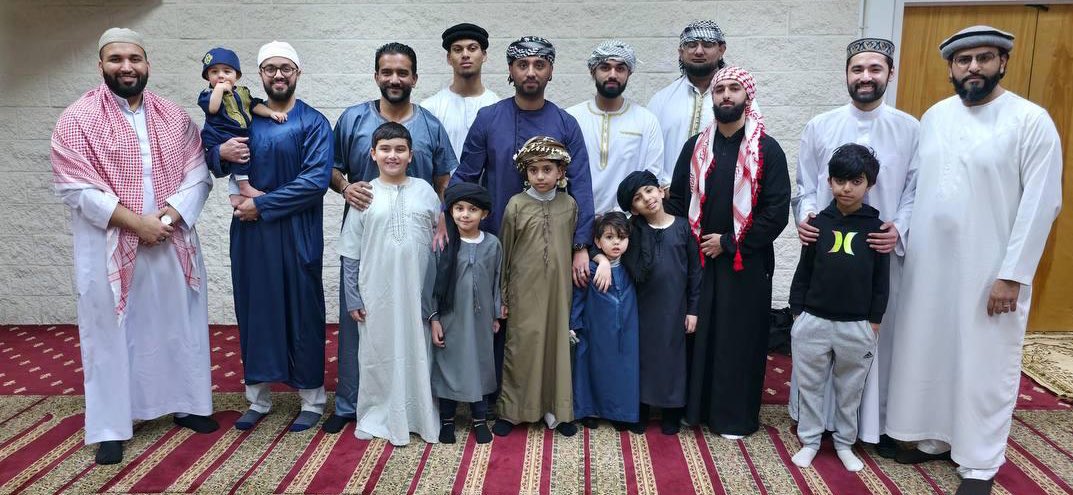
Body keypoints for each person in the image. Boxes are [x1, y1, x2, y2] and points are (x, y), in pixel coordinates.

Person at [884, 26, 1062, 495]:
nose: (974, 68)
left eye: (984, 58)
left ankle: (979, 462)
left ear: (1002, 62)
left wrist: (1012, 274)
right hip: (929, 265)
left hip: (989, 270)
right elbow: (918, 187)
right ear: (951, 68)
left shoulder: (1030, 120)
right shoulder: (936, 116)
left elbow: (1042, 203)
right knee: (928, 346)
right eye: (964, 61)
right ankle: (929, 437)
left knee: (982, 360)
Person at [50, 27, 218, 465]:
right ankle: (111, 425)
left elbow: (198, 174)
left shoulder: (173, 115)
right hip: (109, 242)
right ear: (100, 65)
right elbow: (75, 187)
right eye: (116, 59)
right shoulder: (77, 118)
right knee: (111, 332)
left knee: (175, 322)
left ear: (147, 64)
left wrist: (165, 219)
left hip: (169, 237)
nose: (127, 67)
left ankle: (187, 403)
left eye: (135, 59)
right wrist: (135, 224)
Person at [449, 35, 596, 411]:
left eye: (539, 65)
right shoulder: (489, 118)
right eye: (522, 65)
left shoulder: (566, 122)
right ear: (510, 71)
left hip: (551, 247)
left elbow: (581, 186)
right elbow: (466, 176)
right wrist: (454, 226)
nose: (531, 72)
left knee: (545, 324)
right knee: (494, 319)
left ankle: (549, 400)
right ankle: (490, 399)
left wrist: (581, 247)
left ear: (550, 71)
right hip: (494, 240)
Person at [789, 37, 920, 457]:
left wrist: (897, 228)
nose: (866, 77)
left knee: (867, 340)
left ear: (889, 74)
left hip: (879, 257)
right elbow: (805, 184)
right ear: (846, 74)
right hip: (827, 255)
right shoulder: (820, 125)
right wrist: (806, 218)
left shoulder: (910, 128)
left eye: (875, 69)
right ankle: (814, 425)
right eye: (858, 69)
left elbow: (917, 191)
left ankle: (869, 426)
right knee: (816, 343)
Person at [323, 42, 456, 434]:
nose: (394, 79)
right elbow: (330, 168)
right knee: (361, 328)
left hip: (419, 244)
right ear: (376, 75)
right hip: (368, 240)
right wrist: (346, 188)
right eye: (387, 72)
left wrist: (446, 218)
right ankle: (350, 404)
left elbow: (444, 178)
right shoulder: (352, 120)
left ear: (414, 77)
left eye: (402, 73)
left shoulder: (430, 125)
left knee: (420, 326)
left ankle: (422, 406)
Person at [204, 40, 334, 433]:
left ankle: (312, 398)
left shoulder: (313, 122)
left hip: (296, 232)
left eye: (286, 68)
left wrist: (262, 204)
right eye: (270, 68)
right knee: (256, 310)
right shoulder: (243, 116)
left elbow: (314, 181)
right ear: (259, 74)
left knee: (303, 312)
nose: (278, 75)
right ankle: (257, 399)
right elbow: (211, 151)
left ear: (298, 73)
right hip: (252, 235)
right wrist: (219, 152)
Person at [665, 66, 790, 439]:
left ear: (747, 97)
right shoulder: (696, 147)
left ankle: (733, 418)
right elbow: (676, 199)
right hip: (700, 260)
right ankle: (696, 411)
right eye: (720, 90)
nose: (726, 96)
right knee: (699, 334)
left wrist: (730, 243)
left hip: (744, 264)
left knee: (738, 339)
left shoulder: (766, 149)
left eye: (734, 89)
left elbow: (775, 211)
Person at [788, 144, 890, 472]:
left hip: (857, 325)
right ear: (829, 182)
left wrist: (873, 321)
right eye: (840, 180)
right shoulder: (817, 223)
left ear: (869, 185)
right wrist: (797, 312)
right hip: (813, 319)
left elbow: (881, 281)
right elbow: (803, 271)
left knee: (850, 389)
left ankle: (846, 443)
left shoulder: (877, 229)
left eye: (856, 181)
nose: (847, 188)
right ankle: (811, 440)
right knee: (810, 385)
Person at [338, 122, 441, 446]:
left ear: (411, 154)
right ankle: (379, 415)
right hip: (376, 292)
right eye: (385, 149)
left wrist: (437, 299)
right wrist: (353, 296)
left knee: (419, 352)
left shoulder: (425, 191)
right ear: (373, 153)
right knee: (378, 354)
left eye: (399, 149)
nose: (392, 155)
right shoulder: (364, 193)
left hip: (418, 293)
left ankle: (419, 416)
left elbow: (440, 244)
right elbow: (350, 252)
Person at [494, 136, 579, 438]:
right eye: (534, 171)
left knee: (557, 346)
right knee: (522, 346)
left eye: (547, 169)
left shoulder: (569, 205)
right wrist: (502, 294)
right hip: (523, 289)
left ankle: (557, 410)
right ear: (525, 173)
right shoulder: (516, 205)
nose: (541, 177)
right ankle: (514, 410)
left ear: (560, 172)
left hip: (558, 291)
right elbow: (504, 252)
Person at [616, 170, 700, 435]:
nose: (647, 199)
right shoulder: (632, 231)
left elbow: (696, 273)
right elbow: (605, 242)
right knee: (642, 357)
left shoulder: (684, 227)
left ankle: (671, 410)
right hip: (641, 307)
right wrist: (601, 261)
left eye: (649, 191)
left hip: (675, 307)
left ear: (661, 191)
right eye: (638, 199)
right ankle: (640, 408)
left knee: (672, 358)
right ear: (635, 209)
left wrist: (693, 310)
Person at [430, 182, 502, 445]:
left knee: (480, 365)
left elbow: (497, 280)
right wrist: (434, 318)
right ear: (450, 212)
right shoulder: (443, 242)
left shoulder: (492, 244)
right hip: (451, 319)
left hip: (481, 320)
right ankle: (447, 420)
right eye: (459, 208)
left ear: (484, 214)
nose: (465, 214)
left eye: (472, 209)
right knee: (449, 365)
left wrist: (496, 314)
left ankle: (480, 419)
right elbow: (431, 284)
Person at [567, 40, 666, 214]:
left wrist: (620, 219)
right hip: (577, 223)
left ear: (629, 73)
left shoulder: (646, 120)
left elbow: (651, 176)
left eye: (620, 68)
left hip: (628, 226)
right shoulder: (571, 118)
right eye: (605, 67)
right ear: (592, 71)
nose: (613, 74)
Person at [571, 212, 641, 433]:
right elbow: (578, 298)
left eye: (621, 237)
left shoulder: (632, 267)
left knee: (623, 371)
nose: (616, 242)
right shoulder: (590, 270)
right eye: (609, 237)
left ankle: (621, 413)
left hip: (626, 332)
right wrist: (574, 324)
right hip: (595, 330)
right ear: (598, 241)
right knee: (590, 369)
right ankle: (589, 411)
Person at [197, 47, 286, 202]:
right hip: (220, 135)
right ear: (207, 76)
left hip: (238, 132)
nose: (221, 76)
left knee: (244, 161)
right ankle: (244, 187)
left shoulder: (242, 91)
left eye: (227, 71)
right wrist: (219, 89)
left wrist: (272, 113)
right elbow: (213, 107)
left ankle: (235, 194)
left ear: (236, 75)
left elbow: (253, 106)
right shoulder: (207, 94)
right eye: (214, 72)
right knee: (241, 157)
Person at [648, 20, 727, 180]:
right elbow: (647, 153)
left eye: (707, 44)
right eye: (691, 45)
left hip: (721, 198)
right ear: (681, 51)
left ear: (721, 50)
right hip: (669, 199)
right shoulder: (661, 100)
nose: (699, 51)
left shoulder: (738, 99)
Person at [421, 23, 500, 163]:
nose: (465, 54)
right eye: (457, 50)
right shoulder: (430, 108)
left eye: (472, 48)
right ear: (448, 58)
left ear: (484, 55)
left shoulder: (498, 107)